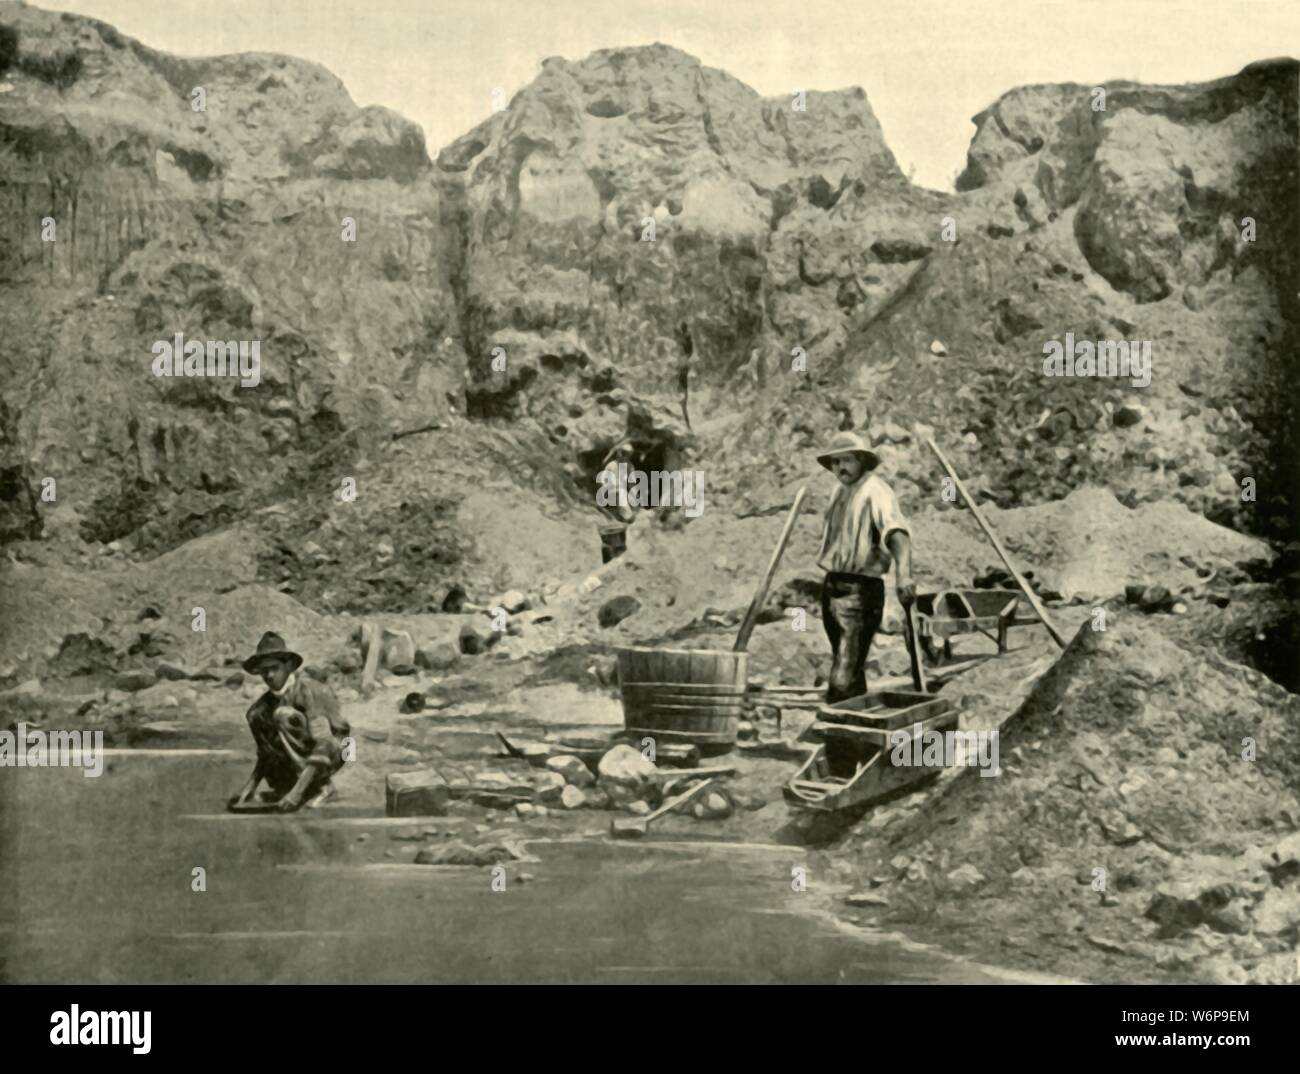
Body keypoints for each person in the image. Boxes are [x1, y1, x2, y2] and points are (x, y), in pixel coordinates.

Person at [815, 431, 917, 703]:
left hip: (860, 591)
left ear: (862, 460)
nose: (841, 468)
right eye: (835, 462)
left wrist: (903, 575)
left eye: (847, 460)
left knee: (843, 672)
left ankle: (839, 728)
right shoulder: (839, 491)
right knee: (848, 662)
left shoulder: (876, 491)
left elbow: (897, 534)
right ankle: (856, 731)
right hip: (833, 586)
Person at [228, 632, 350, 813]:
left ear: (289, 666)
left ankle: (324, 786)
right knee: (259, 716)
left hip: (342, 748)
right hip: (306, 755)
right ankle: (297, 786)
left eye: (275, 668)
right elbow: (265, 754)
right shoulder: (259, 709)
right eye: (264, 671)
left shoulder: (310, 691)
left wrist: (297, 793)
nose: (269, 675)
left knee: (283, 715)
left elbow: (324, 743)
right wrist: (250, 787)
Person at [595, 441, 638, 564]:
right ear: (619, 453)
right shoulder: (611, 466)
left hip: (621, 494)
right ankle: (613, 551)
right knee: (625, 518)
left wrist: (636, 499)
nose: (625, 456)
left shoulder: (629, 466)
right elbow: (602, 482)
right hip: (612, 494)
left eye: (628, 454)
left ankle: (622, 549)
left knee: (626, 520)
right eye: (623, 453)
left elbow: (632, 484)